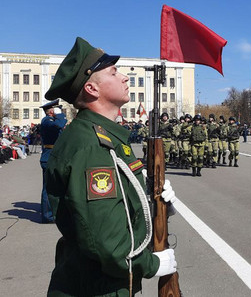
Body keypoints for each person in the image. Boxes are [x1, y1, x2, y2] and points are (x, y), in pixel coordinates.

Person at [44, 37, 177, 296]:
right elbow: (106, 244)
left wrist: (157, 204)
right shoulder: (91, 146)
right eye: (114, 73)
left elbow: (118, 209)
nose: (125, 77)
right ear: (93, 89)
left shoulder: (106, 137)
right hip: (96, 287)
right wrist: (149, 264)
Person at [39, 99, 67, 224]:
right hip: (49, 157)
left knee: (56, 186)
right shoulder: (47, 121)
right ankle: (47, 216)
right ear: (51, 111)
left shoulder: (53, 121)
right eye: (56, 109)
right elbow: (59, 125)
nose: (59, 111)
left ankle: (55, 211)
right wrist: (60, 115)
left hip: (55, 156)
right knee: (48, 187)